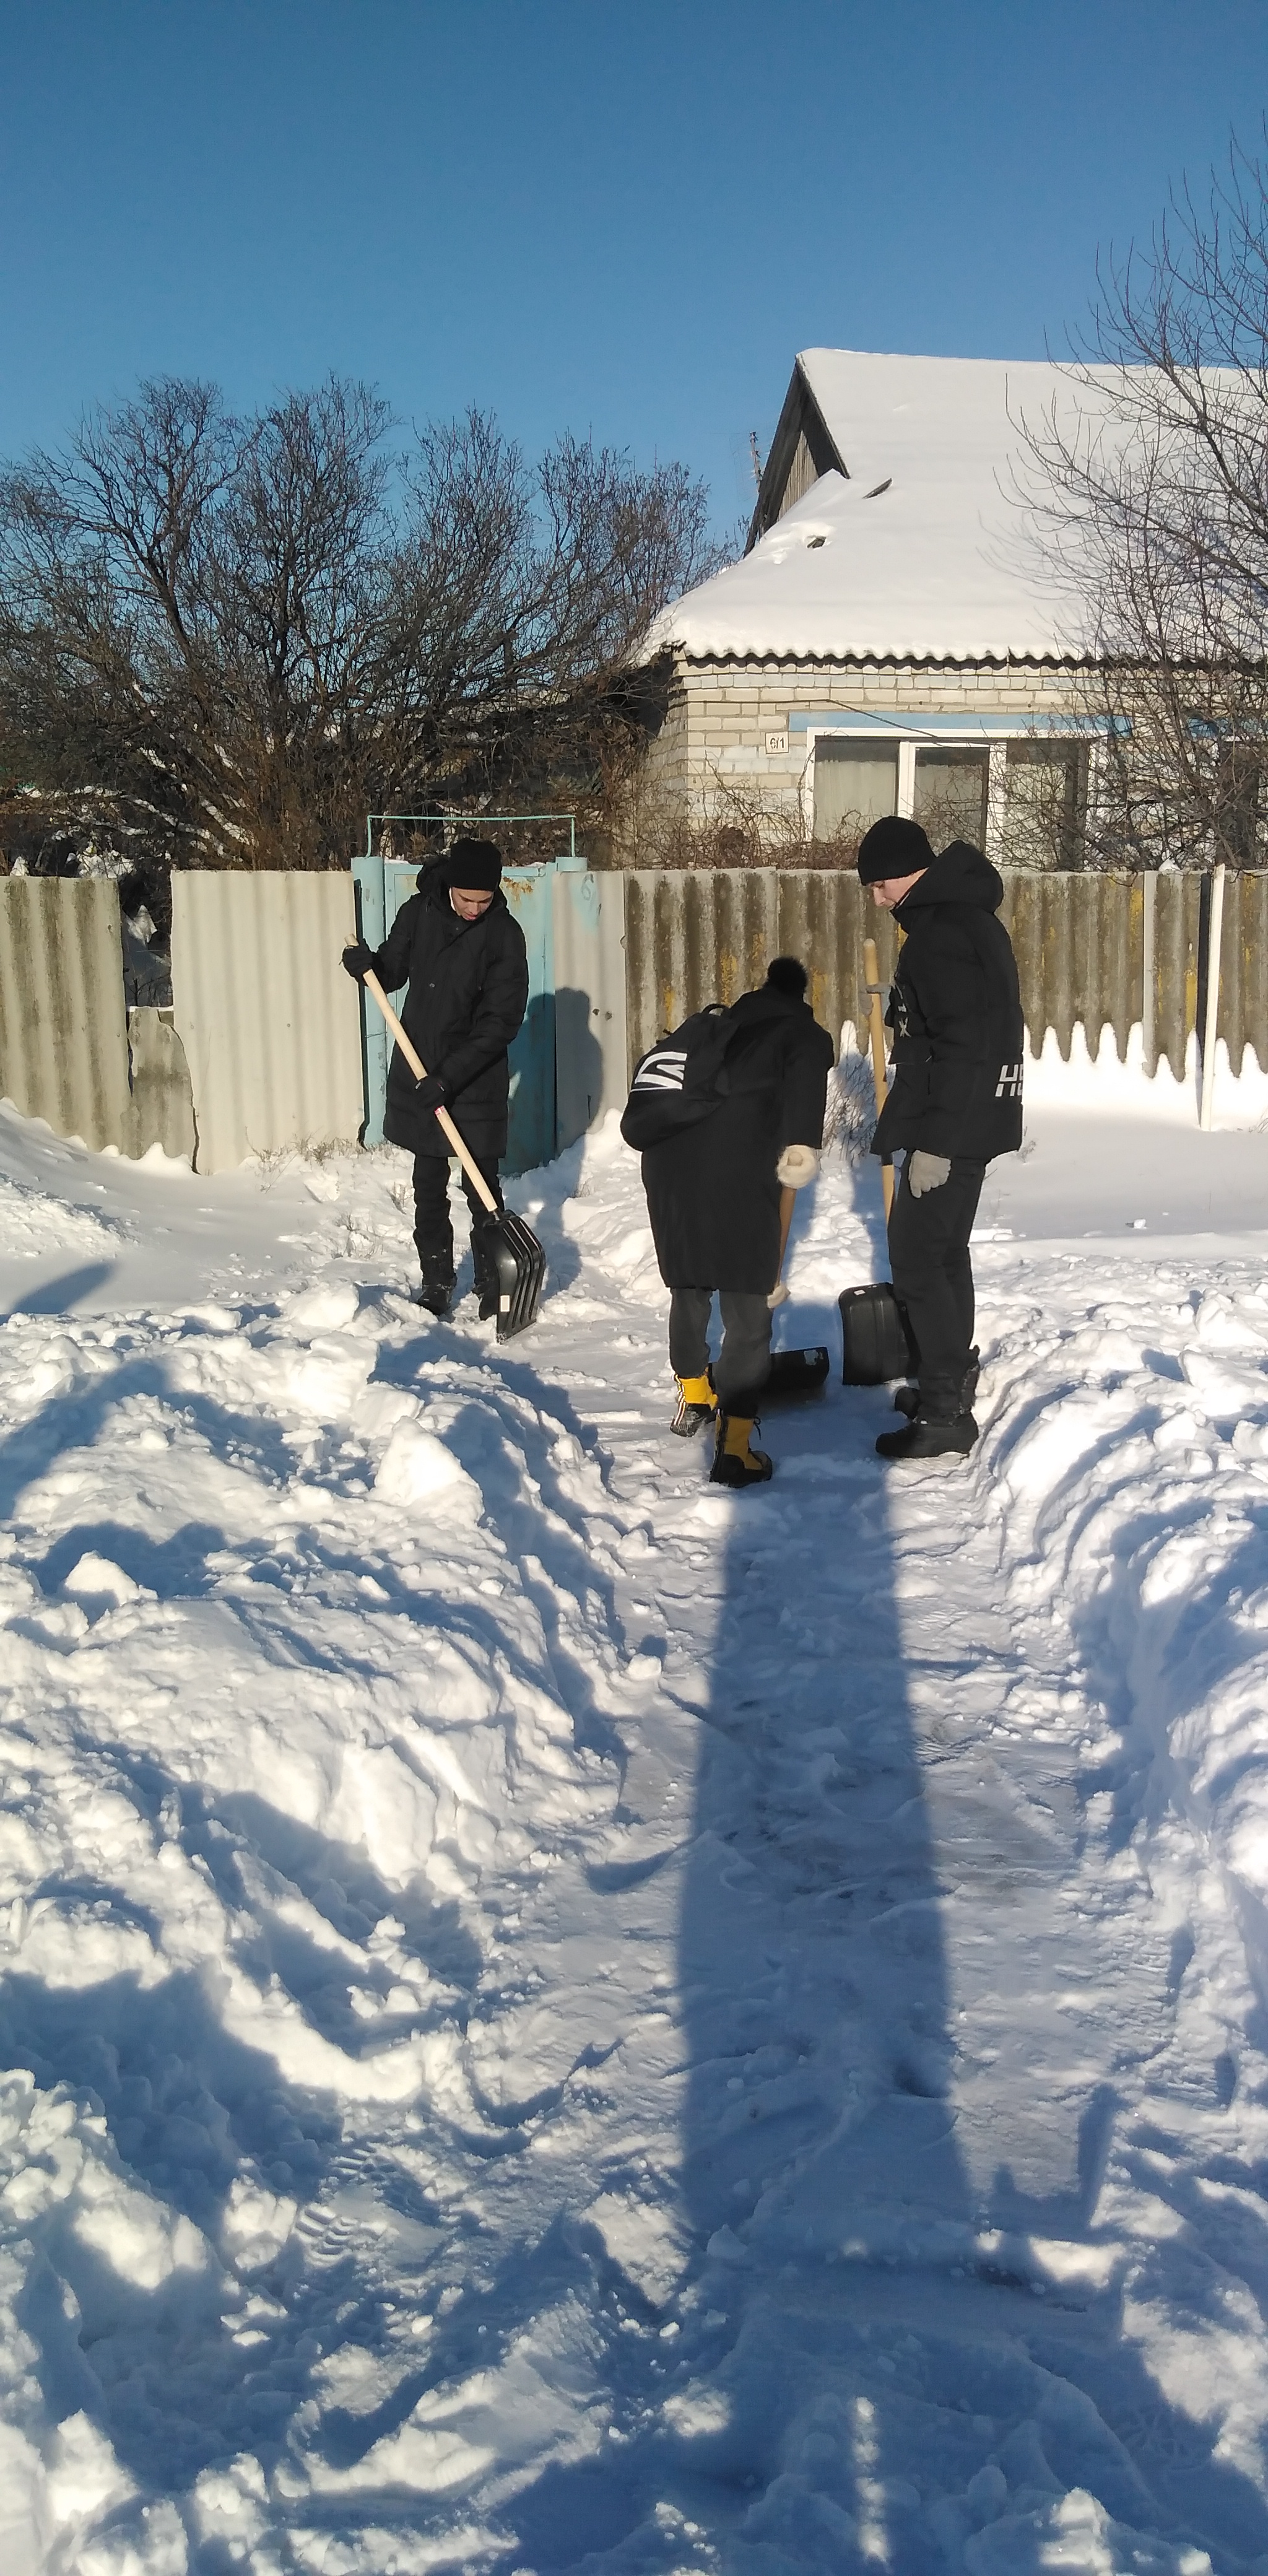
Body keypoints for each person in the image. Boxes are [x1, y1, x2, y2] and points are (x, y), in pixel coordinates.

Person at [856, 813, 1023, 1461]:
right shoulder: (966, 919)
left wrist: (938, 1144)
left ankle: (944, 1413)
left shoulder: (940, 933)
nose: (875, 897)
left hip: (951, 1125)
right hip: (970, 1118)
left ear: (908, 872)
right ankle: (943, 1383)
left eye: (878, 883)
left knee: (919, 1260)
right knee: (944, 1254)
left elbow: (965, 1045)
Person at [638, 957, 835, 1489]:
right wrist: (800, 1149)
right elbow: (801, 1121)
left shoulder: (716, 1027)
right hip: (739, 1170)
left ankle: (696, 1399)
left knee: (692, 1281)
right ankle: (736, 1449)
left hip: (671, 1166)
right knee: (749, 1303)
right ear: (800, 994)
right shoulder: (802, 1033)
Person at [342, 838, 529, 1316]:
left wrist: (451, 1077)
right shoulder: (417, 913)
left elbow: (501, 1021)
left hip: (473, 1075)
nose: (474, 909)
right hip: (420, 1064)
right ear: (449, 886)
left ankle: (492, 1281)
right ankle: (437, 1281)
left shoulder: (504, 934)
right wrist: (368, 969)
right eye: (467, 899)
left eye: (484, 900)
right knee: (428, 1182)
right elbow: (392, 973)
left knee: (480, 1182)